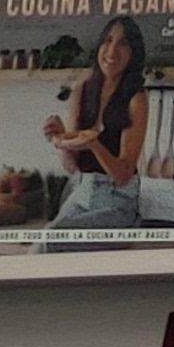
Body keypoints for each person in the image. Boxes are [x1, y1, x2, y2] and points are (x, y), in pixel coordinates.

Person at [39, 16, 156, 230]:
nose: (112, 51)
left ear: (134, 54)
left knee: (51, 237)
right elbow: (72, 166)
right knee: (42, 245)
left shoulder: (136, 98)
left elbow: (123, 176)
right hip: (82, 193)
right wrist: (59, 137)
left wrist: (94, 144)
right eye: (108, 41)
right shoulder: (83, 87)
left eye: (123, 43)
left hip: (117, 201)